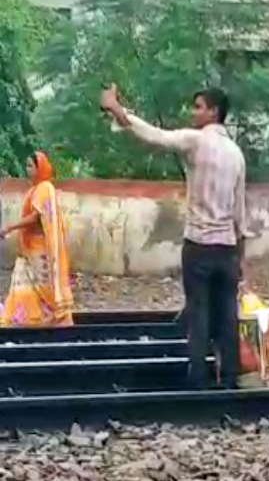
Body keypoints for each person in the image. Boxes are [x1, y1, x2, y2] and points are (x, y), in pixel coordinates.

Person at [100, 84, 248, 390]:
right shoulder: (237, 154)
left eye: (198, 107)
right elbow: (240, 210)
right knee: (227, 317)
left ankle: (198, 381)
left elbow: (156, 136)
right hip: (228, 249)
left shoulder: (196, 141)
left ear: (213, 112)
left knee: (199, 313)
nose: (193, 112)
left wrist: (119, 111)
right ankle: (230, 379)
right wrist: (240, 256)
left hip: (199, 246)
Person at [0, 152, 74, 327]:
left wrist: (10, 227)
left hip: (39, 250)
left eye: (30, 166)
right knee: (22, 280)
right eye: (26, 166)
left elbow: (35, 218)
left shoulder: (45, 188)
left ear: (40, 167)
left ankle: (48, 318)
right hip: (28, 250)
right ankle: (23, 317)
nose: (27, 170)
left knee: (41, 287)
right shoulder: (34, 190)